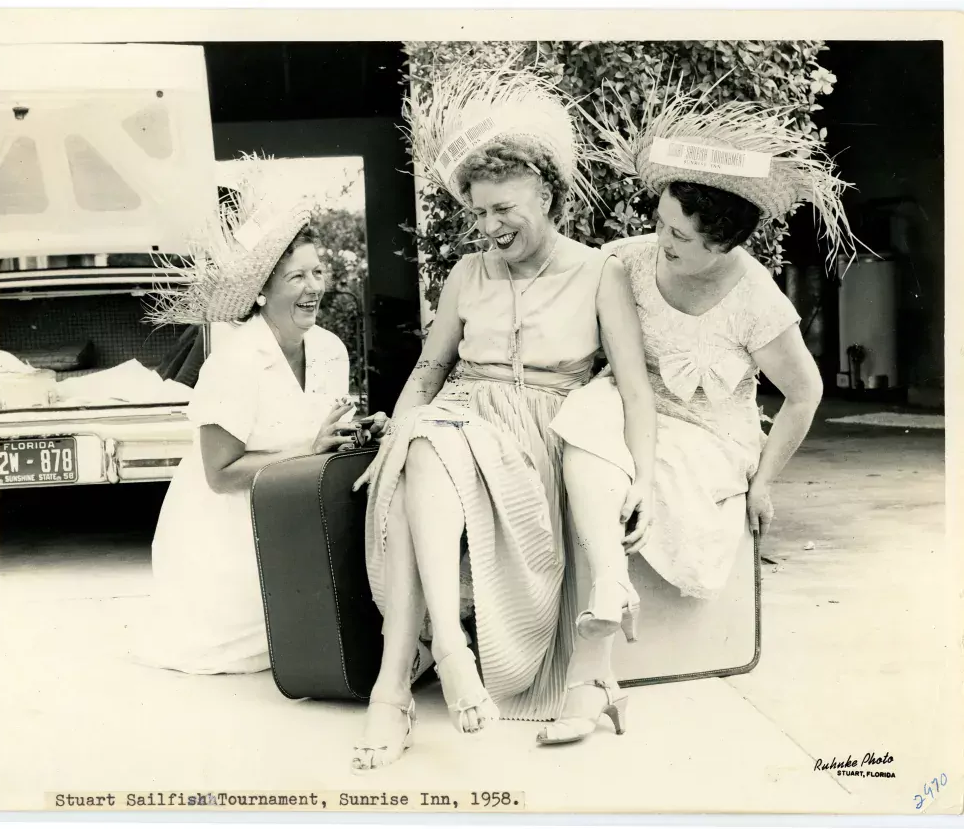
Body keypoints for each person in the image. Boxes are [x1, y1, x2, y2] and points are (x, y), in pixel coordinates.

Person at [350, 64, 657, 771]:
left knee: (428, 451)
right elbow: (431, 371)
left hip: (537, 438)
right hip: (459, 421)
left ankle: (395, 688)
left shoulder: (598, 273)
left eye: (504, 211)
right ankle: (438, 663)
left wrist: (639, 473)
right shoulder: (467, 272)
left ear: (546, 196)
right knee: (419, 449)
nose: (489, 228)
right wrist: (395, 434)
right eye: (479, 214)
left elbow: (635, 390)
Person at [540, 89, 860, 743]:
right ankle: (607, 595)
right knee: (582, 424)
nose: (661, 241)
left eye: (679, 236)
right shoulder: (629, 260)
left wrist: (765, 480)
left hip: (711, 430)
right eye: (659, 223)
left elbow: (804, 393)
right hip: (629, 400)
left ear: (722, 241)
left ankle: (591, 676)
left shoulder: (756, 301)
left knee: (641, 465)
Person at [134, 157, 379, 675]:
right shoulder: (234, 360)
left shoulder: (332, 349)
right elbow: (219, 474)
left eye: (318, 271)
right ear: (263, 291)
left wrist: (355, 435)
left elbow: (323, 438)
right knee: (262, 646)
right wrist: (309, 449)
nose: (314, 286)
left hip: (292, 514)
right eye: (296, 276)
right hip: (222, 533)